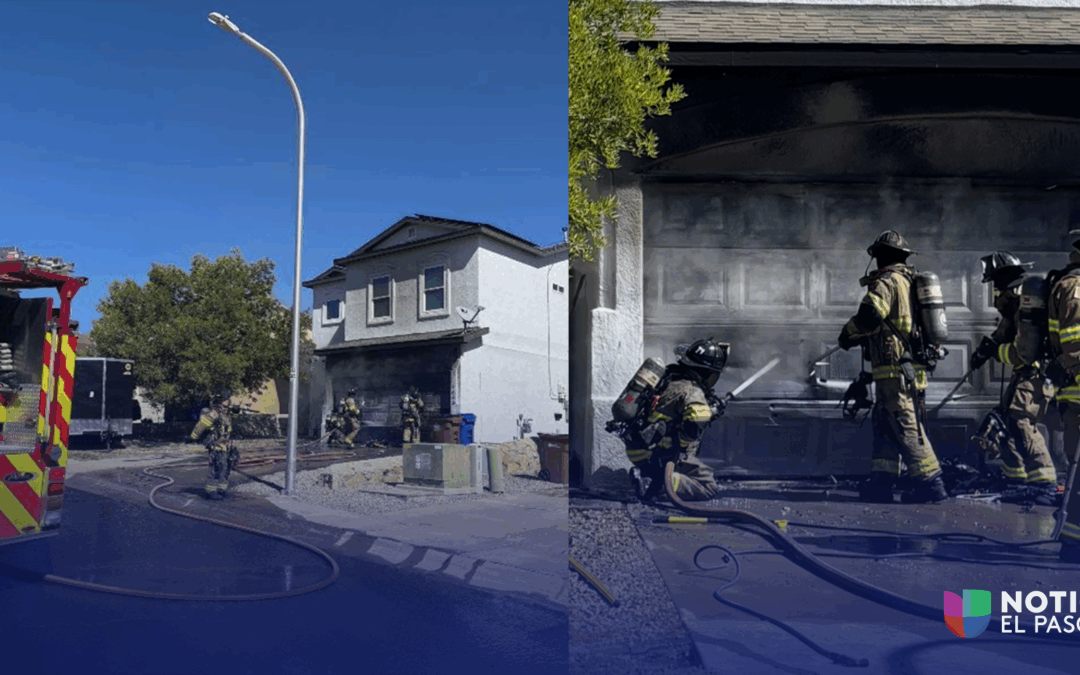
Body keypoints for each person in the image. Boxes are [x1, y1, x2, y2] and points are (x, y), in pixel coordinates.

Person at [838, 230, 948, 504]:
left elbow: (870, 315)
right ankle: (882, 481)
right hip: (907, 368)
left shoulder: (887, 281)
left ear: (879, 257)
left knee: (904, 423)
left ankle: (931, 484)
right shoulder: (910, 281)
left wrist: (847, 333)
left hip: (894, 368)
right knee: (886, 423)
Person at [969, 251, 1058, 505]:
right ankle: (1017, 477)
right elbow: (1002, 333)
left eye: (998, 292)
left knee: (1021, 422)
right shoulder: (1015, 310)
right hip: (1025, 375)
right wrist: (983, 351)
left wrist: (995, 352)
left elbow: (1023, 355)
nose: (996, 298)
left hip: (1035, 374)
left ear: (1010, 288)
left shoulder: (1025, 308)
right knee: (1006, 419)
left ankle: (1044, 484)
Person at [623, 338, 727, 502]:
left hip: (638, 450)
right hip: (662, 455)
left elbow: (672, 410)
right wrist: (706, 414)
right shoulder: (692, 391)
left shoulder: (668, 378)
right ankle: (656, 483)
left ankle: (647, 474)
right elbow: (695, 424)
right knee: (708, 485)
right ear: (707, 373)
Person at [1042, 230, 1080, 562]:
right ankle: (1074, 542)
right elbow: (1073, 341)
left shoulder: (1066, 286)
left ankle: (1073, 540)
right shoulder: (1074, 288)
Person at [189, 395, 237, 500]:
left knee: (226, 468)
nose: (228, 401)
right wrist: (193, 437)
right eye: (225, 399)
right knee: (215, 468)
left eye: (228, 399)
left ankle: (222, 490)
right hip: (217, 445)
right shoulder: (214, 413)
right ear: (219, 401)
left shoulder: (226, 413)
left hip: (227, 445)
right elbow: (201, 425)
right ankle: (210, 491)